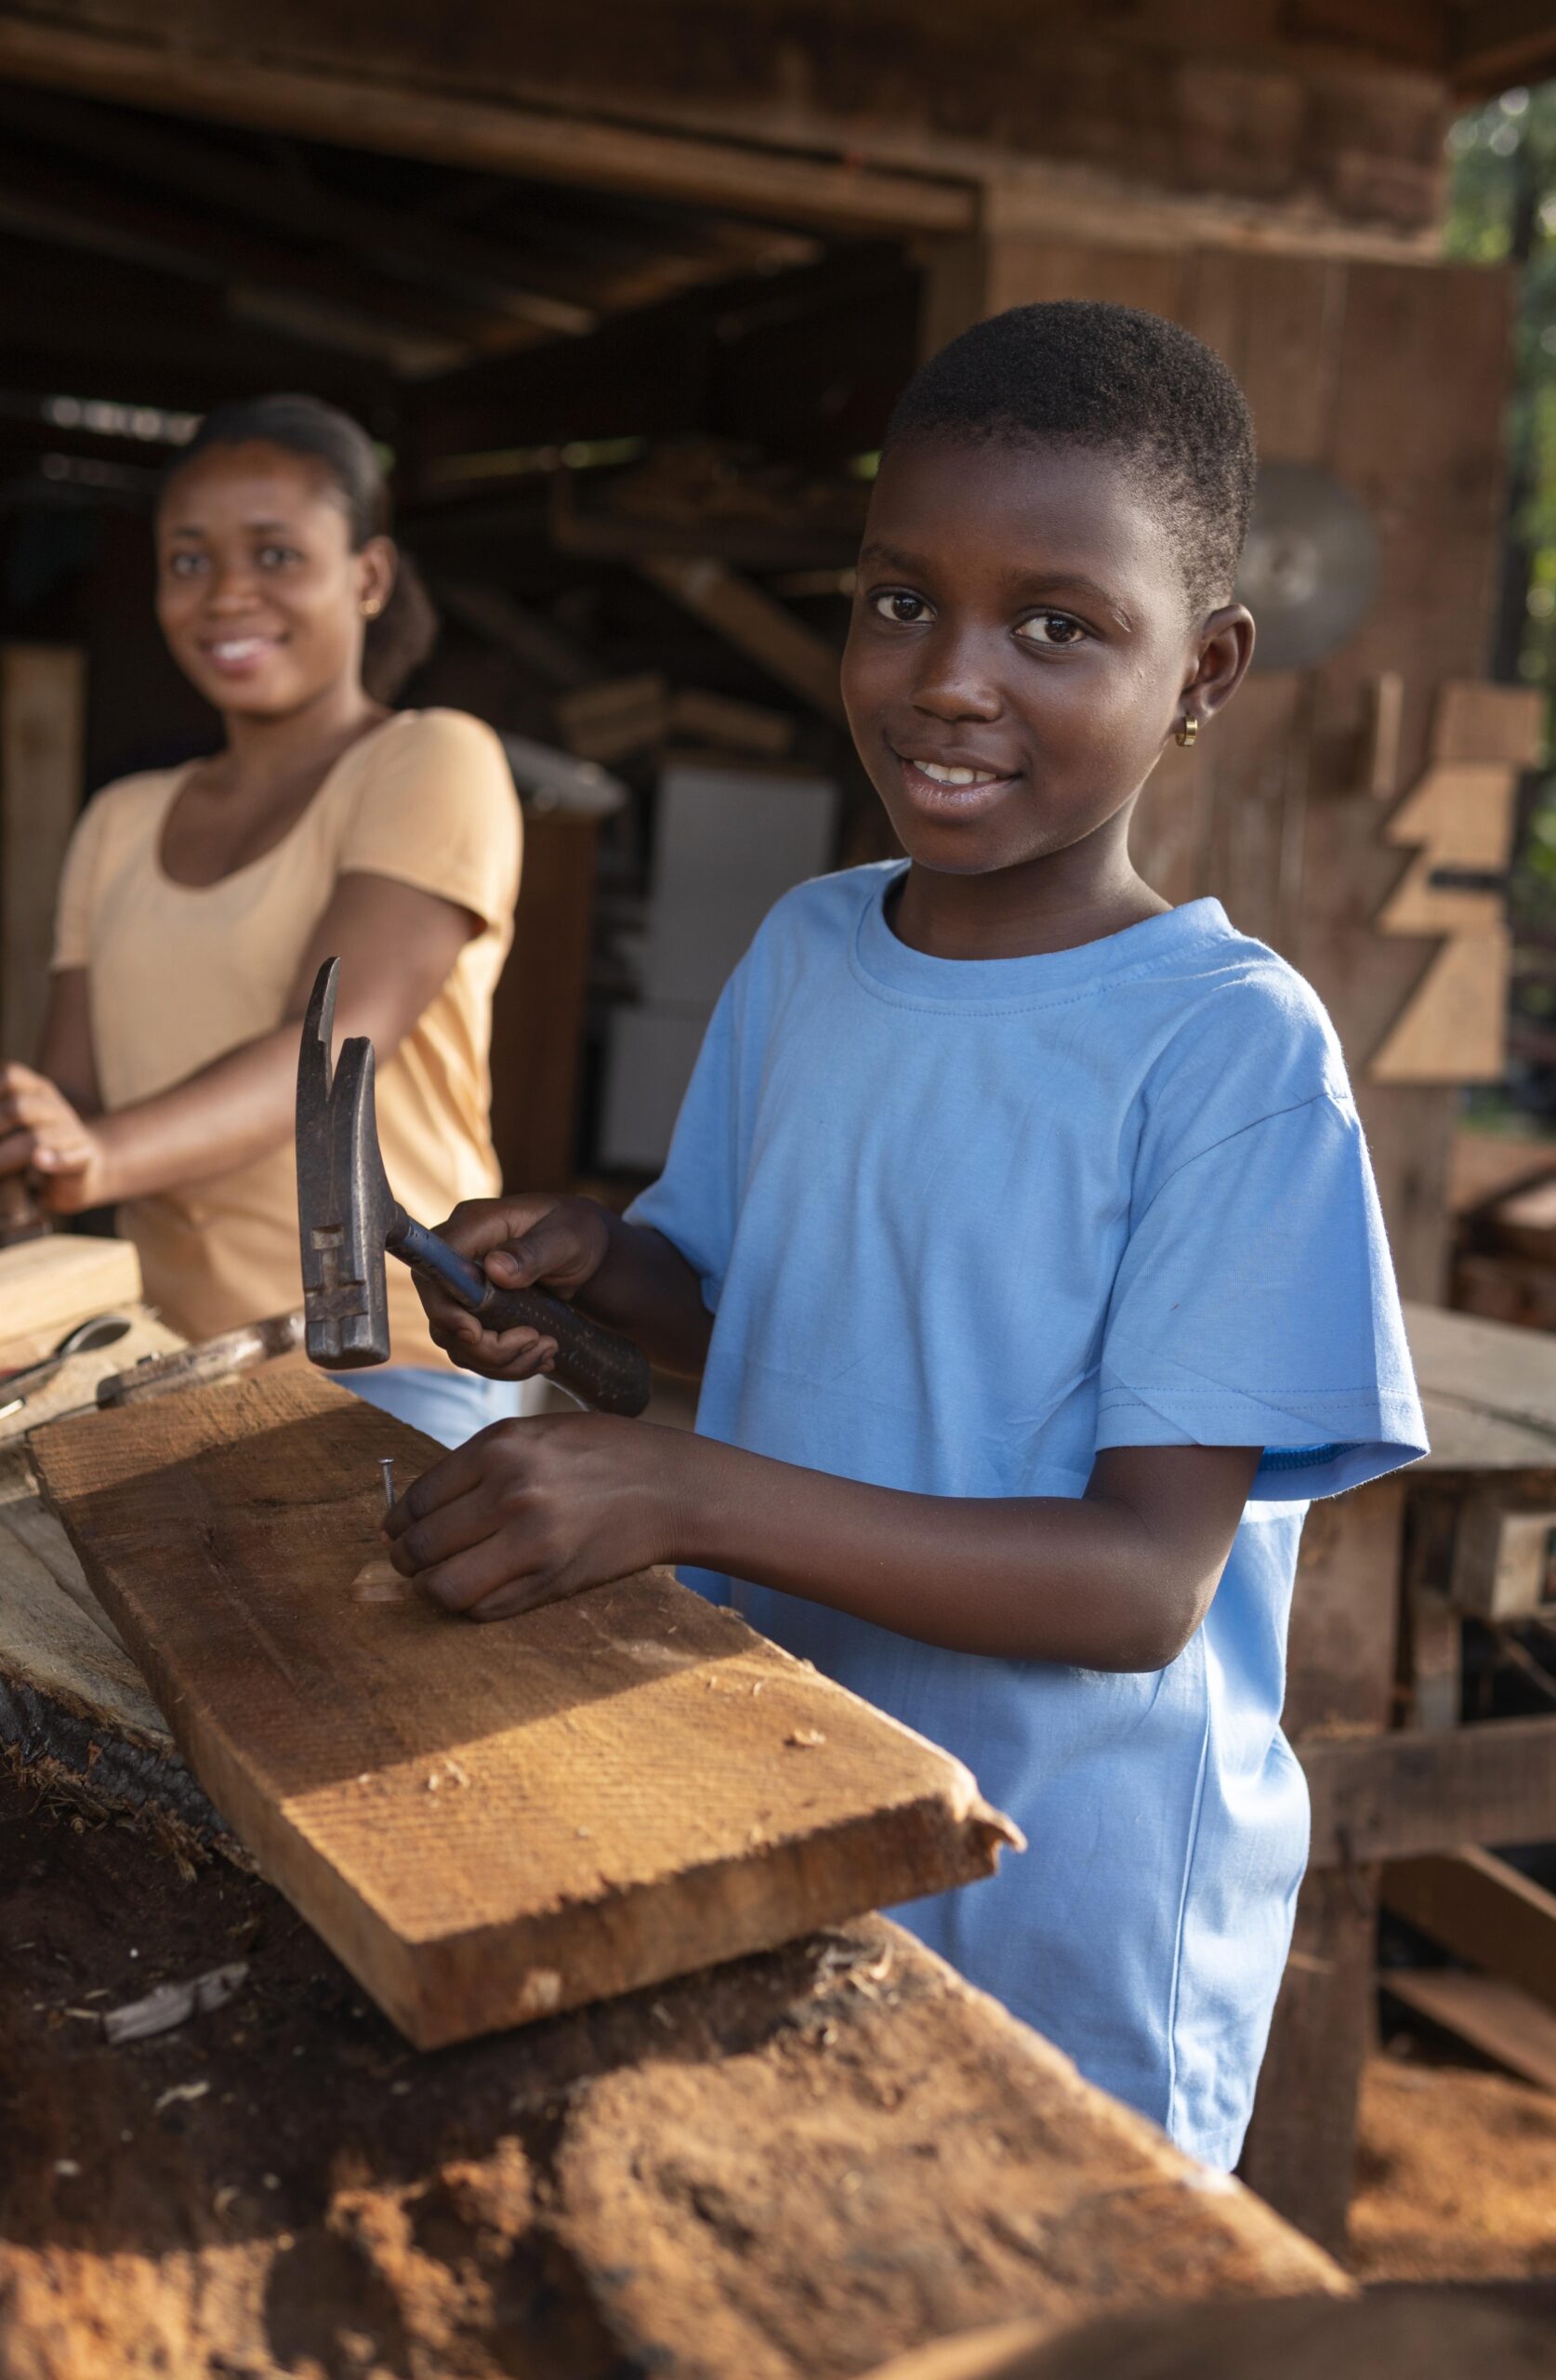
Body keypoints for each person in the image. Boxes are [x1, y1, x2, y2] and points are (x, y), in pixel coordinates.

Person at [381, 303, 1428, 2167]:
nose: (947, 677)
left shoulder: (1226, 1050)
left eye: (1053, 624)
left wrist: (681, 1495)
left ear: (1201, 669)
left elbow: (1137, 1583)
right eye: (892, 600)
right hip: (769, 1793)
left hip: (1053, 1901)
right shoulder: (808, 950)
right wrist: (591, 1264)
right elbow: (742, 1305)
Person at [0, 394, 522, 1447]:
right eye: (189, 562)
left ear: (367, 577)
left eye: (275, 555)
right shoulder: (122, 818)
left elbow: (326, 1050)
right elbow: (75, 1102)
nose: (227, 593)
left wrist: (91, 1155)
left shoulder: (432, 759)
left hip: (397, 1364)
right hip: (158, 1362)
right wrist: (32, 1147)